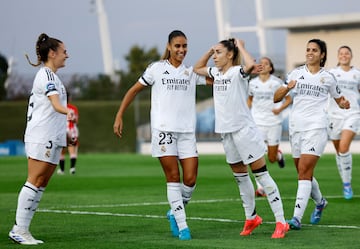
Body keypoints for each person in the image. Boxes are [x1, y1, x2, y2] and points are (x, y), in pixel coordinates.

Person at [113, 30, 209, 240]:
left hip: (186, 133)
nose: (181, 50)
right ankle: (183, 226)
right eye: (177, 46)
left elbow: (218, 81)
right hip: (164, 131)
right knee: (173, 177)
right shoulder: (156, 69)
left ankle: (175, 210)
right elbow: (133, 91)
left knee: (191, 179)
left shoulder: (191, 73)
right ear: (169, 46)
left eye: (184, 46)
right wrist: (119, 115)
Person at [194, 38, 289, 239]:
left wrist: (241, 47)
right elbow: (197, 68)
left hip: (244, 131)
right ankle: (251, 217)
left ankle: (281, 221)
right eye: (214, 53)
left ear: (230, 55)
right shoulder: (215, 73)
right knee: (240, 178)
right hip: (226, 132)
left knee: (261, 175)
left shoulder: (238, 72)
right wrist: (210, 48)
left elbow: (251, 65)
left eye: (218, 52)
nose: (214, 56)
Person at [274, 39, 350, 230]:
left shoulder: (329, 77)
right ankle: (320, 202)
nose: (310, 53)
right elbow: (276, 97)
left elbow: (339, 98)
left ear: (322, 55)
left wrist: (344, 104)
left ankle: (296, 218)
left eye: (314, 50)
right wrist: (286, 87)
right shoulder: (296, 74)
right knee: (302, 172)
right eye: (308, 49)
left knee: (305, 172)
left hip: (317, 128)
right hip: (296, 128)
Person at [9, 33, 71, 245]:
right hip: (41, 136)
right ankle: (19, 229)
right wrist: (68, 112)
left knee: (41, 183)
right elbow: (55, 105)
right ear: (52, 53)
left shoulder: (55, 77)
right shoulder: (46, 75)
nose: (67, 55)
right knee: (34, 181)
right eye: (64, 52)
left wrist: (66, 132)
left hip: (53, 137)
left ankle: (24, 229)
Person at [247, 57, 292, 197]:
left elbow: (289, 99)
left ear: (271, 68)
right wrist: (247, 115)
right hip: (257, 122)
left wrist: (280, 109)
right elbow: (250, 99)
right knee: (257, 154)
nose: (263, 66)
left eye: (266, 64)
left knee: (271, 158)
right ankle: (260, 188)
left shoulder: (277, 82)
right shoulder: (252, 83)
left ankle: (278, 155)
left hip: (273, 122)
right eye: (261, 64)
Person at [327, 45, 360, 200]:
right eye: (341, 53)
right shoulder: (331, 74)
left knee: (344, 147)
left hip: (352, 114)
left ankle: (347, 184)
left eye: (347, 53)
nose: (344, 55)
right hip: (334, 116)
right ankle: (344, 180)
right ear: (338, 56)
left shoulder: (357, 74)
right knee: (339, 152)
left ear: (351, 56)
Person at [57, 93, 79, 175]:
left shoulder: (59, 107)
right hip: (72, 131)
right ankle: (72, 168)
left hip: (62, 130)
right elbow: (76, 121)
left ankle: (62, 170)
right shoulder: (73, 108)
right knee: (72, 150)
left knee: (61, 152)